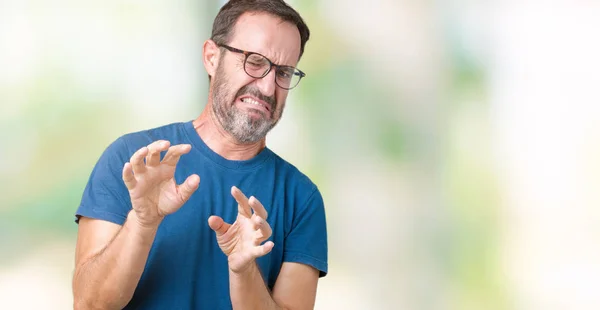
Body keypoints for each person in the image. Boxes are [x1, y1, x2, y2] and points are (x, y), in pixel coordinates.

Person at [72, 1, 328, 309]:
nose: (268, 86)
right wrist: (142, 222)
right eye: (256, 62)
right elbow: (89, 304)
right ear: (211, 57)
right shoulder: (132, 161)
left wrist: (244, 269)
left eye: (284, 72)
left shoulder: (301, 197)